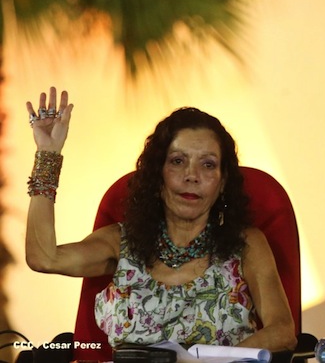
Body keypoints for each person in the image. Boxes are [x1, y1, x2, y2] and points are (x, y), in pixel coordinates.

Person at [25, 87, 297, 352]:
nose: (192, 176)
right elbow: (44, 258)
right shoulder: (121, 242)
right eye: (178, 161)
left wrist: (213, 362)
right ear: (158, 174)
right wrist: (48, 155)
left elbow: (283, 331)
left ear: (223, 181)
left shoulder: (246, 244)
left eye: (208, 164)